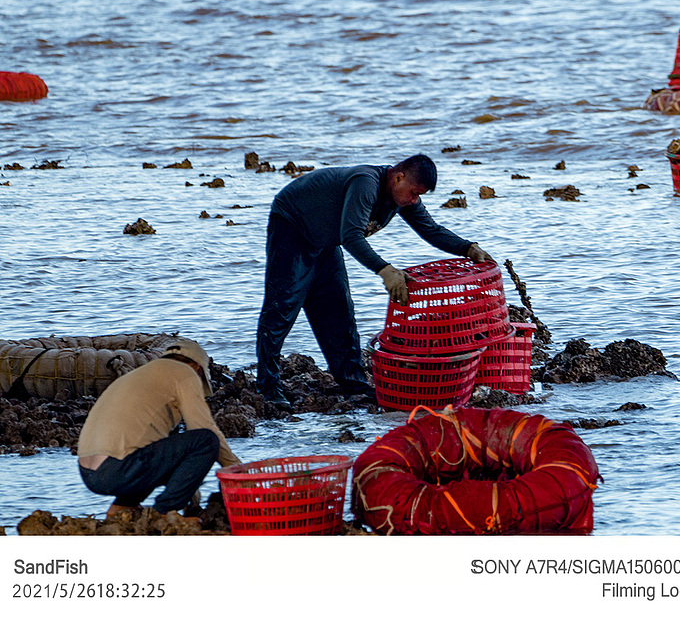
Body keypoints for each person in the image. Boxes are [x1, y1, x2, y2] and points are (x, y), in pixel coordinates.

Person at [254, 154, 492, 405]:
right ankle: (267, 387)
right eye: (413, 192)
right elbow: (351, 237)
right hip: (292, 226)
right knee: (282, 308)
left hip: (325, 241)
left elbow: (430, 229)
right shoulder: (365, 184)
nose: (415, 200)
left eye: (419, 195)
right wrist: (386, 270)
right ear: (398, 177)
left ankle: (353, 385)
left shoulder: (401, 198)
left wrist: (468, 249)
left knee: (338, 312)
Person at [78, 339, 240, 517]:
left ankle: (123, 506)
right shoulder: (185, 372)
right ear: (196, 367)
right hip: (117, 470)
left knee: (152, 448)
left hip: (90, 474)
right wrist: (236, 468)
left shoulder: (142, 375)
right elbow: (202, 427)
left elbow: (172, 459)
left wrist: (192, 502)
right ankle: (163, 513)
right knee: (206, 441)